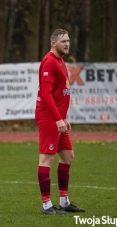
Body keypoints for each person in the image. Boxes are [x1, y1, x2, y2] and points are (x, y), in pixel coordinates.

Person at [35, 28, 85, 215]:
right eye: (63, 41)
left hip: (58, 118)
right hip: (48, 117)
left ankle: (64, 202)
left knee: (68, 156)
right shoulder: (49, 62)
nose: (67, 44)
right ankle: (47, 205)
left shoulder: (61, 61)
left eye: (68, 40)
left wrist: (64, 118)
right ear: (53, 43)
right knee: (46, 159)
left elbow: (58, 93)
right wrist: (57, 119)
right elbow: (46, 94)